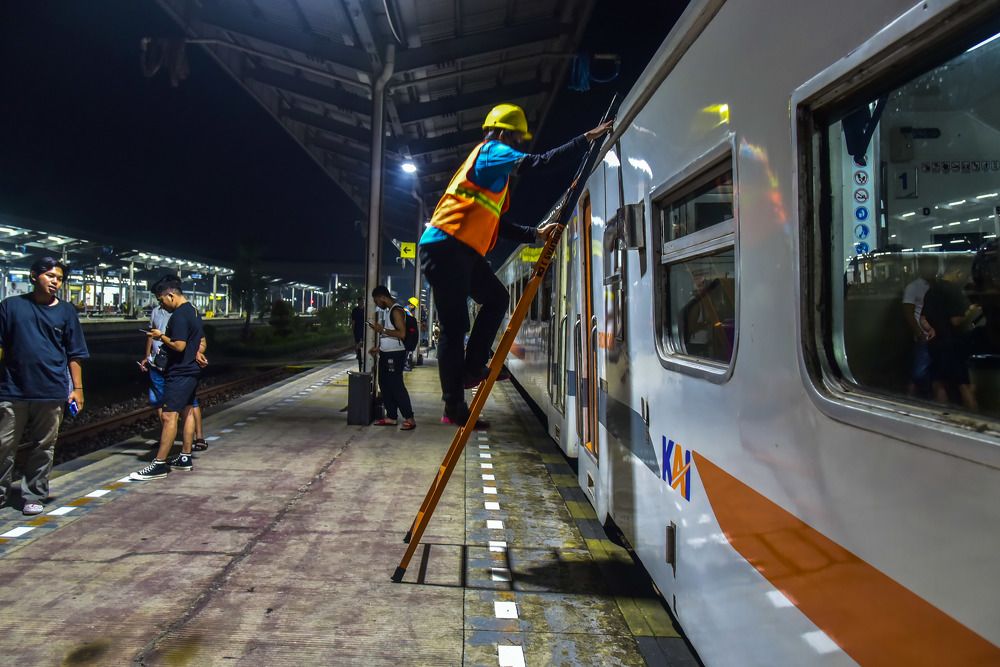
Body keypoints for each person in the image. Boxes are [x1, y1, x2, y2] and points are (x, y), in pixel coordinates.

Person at [419, 103, 612, 425]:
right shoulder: (491, 151)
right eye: (516, 139)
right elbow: (537, 164)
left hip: (460, 249)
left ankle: (472, 367)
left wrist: (534, 233)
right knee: (454, 329)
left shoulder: (492, 174)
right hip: (445, 247)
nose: (517, 146)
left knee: (496, 298)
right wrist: (584, 140)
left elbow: (496, 223)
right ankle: (453, 406)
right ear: (502, 132)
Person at [0, 257, 89, 515]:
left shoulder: (66, 311)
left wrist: (78, 389)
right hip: (12, 389)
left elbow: (76, 354)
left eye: (59, 278)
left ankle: (34, 494)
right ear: (33, 276)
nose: (55, 282)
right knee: (4, 445)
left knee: (43, 446)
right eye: (50, 276)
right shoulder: (10, 307)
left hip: (51, 390)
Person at [130, 277, 205, 480]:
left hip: (179, 371)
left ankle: (159, 464)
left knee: (169, 415)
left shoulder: (179, 315)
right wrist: (198, 352)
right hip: (191, 369)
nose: (161, 304)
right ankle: (185, 456)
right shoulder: (194, 311)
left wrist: (160, 336)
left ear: (170, 295)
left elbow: (179, 346)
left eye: (161, 300)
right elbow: (201, 340)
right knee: (188, 410)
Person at [922, 266, 981, 410]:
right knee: (964, 384)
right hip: (952, 344)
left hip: (935, 344)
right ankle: (975, 418)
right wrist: (972, 312)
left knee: (939, 382)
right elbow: (956, 321)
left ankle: (942, 417)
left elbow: (923, 317)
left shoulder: (931, 290)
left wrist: (930, 329)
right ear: (958, 273)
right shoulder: (953, 291)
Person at [368, 286, 416, 430]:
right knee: (384, 384)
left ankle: (409, 418)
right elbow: (391, 336)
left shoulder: (396, 311)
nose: (377, 304)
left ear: (382, 297)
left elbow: (402, 334)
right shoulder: (390, 311)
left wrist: (381, 329)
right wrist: (380, 348)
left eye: (377, 301)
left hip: (395, 355)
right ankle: (391, 417)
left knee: (396, 385)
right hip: (387, 353)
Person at [902, 256, 938, 396]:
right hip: (923, 335)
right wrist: (919, 333)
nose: (931, 269)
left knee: (935, 372)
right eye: (927, 265)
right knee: (919, 372)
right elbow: (908, 313)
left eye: (933, 265)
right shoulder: (913, 287)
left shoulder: (938, 285)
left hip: (938, 334)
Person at [350, 299, 365, 371]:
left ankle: (361, 357)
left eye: (362, 302)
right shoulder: (355, 310)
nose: (361, 303)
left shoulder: (366, 310)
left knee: (362, 346)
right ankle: (359, 356)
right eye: (360, 302)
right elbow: (353, 322)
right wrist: (353, 331)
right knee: (358, 345)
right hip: (358, 331)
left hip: (364, 332)